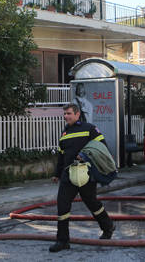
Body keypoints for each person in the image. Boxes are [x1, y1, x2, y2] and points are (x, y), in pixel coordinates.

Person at [49, 104, 114, 252]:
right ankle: (63, 241)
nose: (66, 116)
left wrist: (85, 156)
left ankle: (108, 227)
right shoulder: (65, 132)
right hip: (68, 175)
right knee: (62, 206)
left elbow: (101, 147)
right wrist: (57, 174)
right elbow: (61, 155)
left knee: (92, 203)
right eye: (64, 114)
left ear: (77, 114)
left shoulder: (90, 129)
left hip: (86, 174)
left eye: (69, 113)